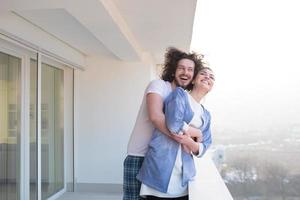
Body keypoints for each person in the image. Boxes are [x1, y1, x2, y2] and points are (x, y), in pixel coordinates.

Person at [123, 47, 205, 200]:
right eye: (181, 68)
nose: (185, 72)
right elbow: (156, 117)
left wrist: (194, 137)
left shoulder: (184, 98)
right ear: (173, 70)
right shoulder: (159, 85)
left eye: (190, 69)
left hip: (161, 160)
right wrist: (184, 137)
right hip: (140, 156)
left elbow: (194, 130)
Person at [137, 67, 215, 199]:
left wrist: (189, 142)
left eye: (211, 77)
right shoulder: (180, 95)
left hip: (184, 178)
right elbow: (173, 124)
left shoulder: (206, 115)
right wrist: (197, 133)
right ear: (194, 79)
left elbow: (205, 145)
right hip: (160, 170)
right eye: (203, 74)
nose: (207, 77)